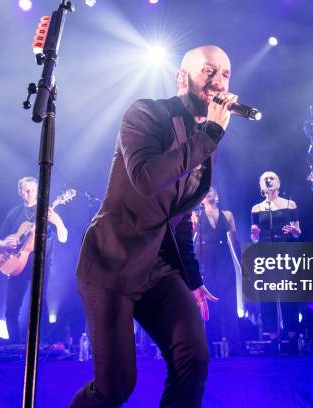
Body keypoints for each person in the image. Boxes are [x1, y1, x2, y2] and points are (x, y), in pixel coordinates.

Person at [70, 45, 237, 408]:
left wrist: (193, 281)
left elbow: (176, 219)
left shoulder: (204, 141)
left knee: (193, 360)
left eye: (225, 74)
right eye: (209, 71)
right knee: (115, 388)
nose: (218, 81)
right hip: (111, 262)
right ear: (182, 78)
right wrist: (209, 134)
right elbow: (147, 179)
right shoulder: (146, 113)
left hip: (156, 269)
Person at [0, 177, 68, 343]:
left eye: (33, 190)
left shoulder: (46, 212)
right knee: (11, 310)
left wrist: (58, 222)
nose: (30, 194)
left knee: (40, 304)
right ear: (20, 192)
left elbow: (63, 238)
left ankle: (43, 345)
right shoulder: (15, 213)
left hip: (40, 264)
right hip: (16, 264)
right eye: (26, 191)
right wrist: (5, 244)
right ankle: (14, 347)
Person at [250, 171, 301, 343]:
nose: (268, 180)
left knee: (287, 293)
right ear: (261, 186)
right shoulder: (256, 209)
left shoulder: (290, 204)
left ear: (278, 183)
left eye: (271, 178)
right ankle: (271, 338)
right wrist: (255, 235)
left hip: (285, 248)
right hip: (265, 250)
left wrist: (294, 231)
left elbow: (297, 232)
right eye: (265, 179)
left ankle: (292, 337)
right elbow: (254, 236)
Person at [191, 186, 242, 356]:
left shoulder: (227, 214)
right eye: (206, 191)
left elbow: (234, 241)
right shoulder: (196, 215)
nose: (209, 193)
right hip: (204, 258)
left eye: (212, 190)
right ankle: (209, 345)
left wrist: (241, 263)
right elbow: (190, 238)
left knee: (228, 300)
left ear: (217, 195)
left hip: (224, 258)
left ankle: (234, 345)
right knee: (207, 301)